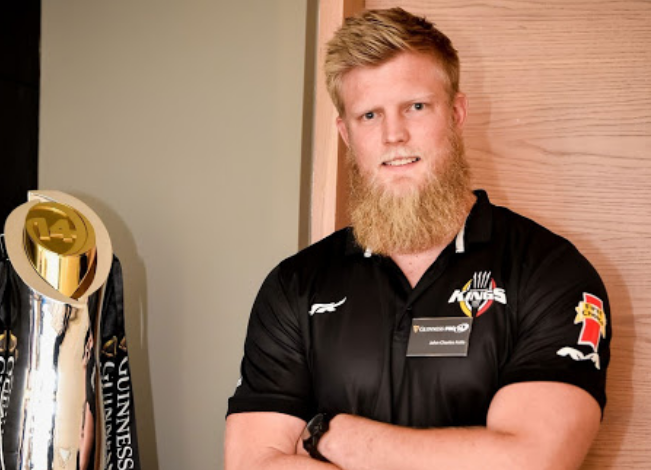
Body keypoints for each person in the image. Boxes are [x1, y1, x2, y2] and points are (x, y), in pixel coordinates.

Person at [224, 7, 611, 470]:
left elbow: (531, 462)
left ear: (457, 112)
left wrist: (339, 438)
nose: (394, 134)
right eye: (370, 115)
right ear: (346, 134)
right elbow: (252, 463)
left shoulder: (549, 272)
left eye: (416, 106)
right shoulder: (294, 286)